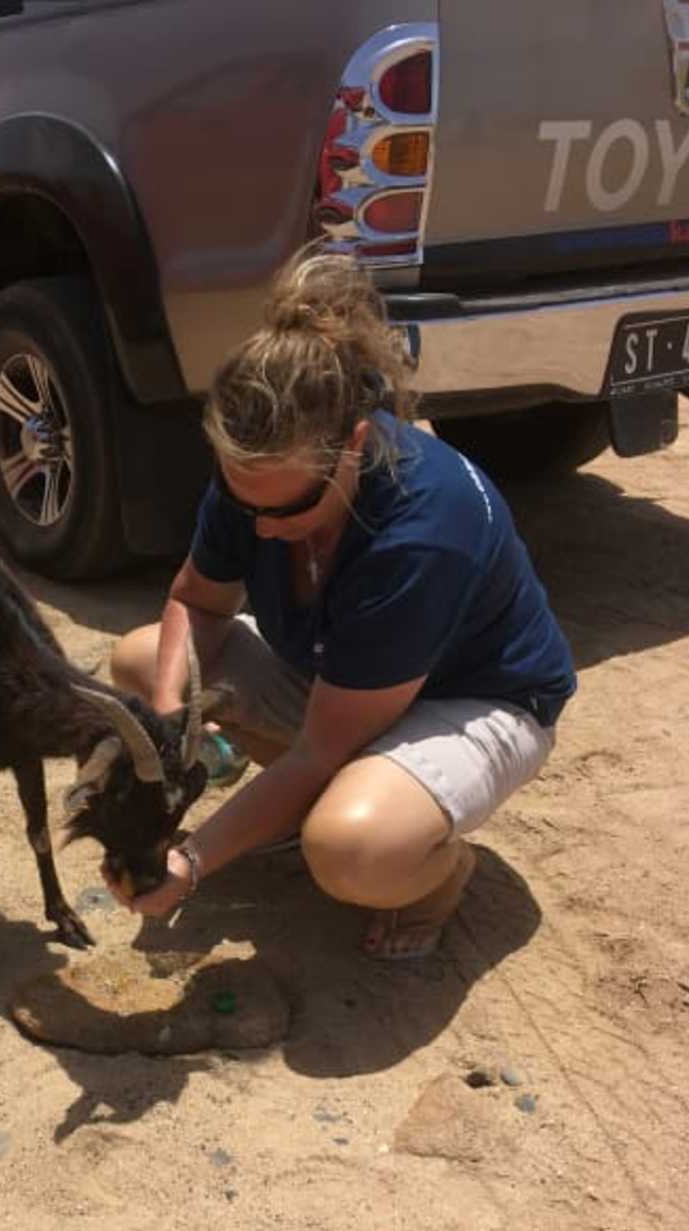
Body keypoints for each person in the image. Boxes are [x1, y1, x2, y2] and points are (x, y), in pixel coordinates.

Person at [107, 249, 576, 959]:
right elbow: (196, 603)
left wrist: (191, 862)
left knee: (352, 850)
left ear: (353, 445)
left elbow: (321, 747)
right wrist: (171, 720)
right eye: (242, 501)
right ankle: (310, 809)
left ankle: (438, 873)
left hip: (475, 698)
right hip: (346, 681)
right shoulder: (261, 475)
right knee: (145, 664)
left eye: (286, 509)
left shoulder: (422, 533)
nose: (262, 528)